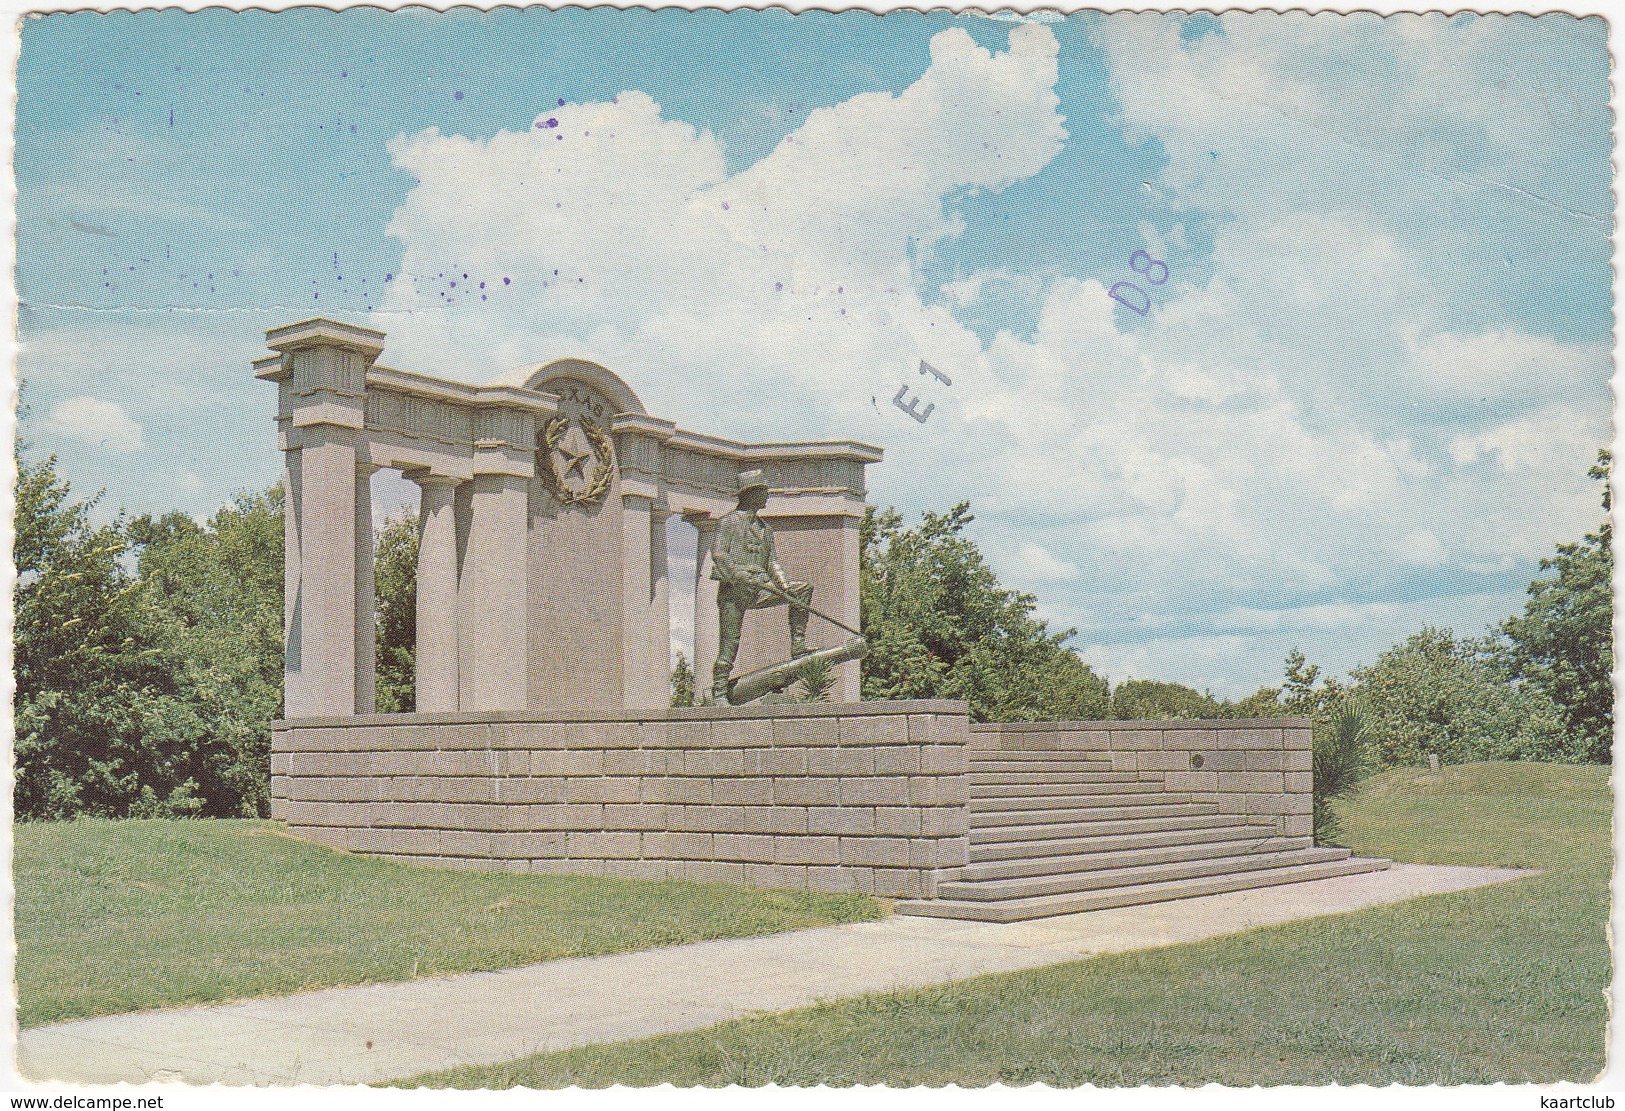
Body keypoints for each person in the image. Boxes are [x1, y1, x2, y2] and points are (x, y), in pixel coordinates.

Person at [708, 470, 813, 704]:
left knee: (802, 590)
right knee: (730, 642)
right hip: (734, 591)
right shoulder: (728, 522)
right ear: (750, 494)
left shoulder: (766, 529)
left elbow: (772, 561)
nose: (767, 496)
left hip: (760, 588)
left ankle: (798, 645)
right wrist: (739, 574)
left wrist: (785, 586)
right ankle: (719, 692)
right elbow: (719, 554)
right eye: (763, 491)